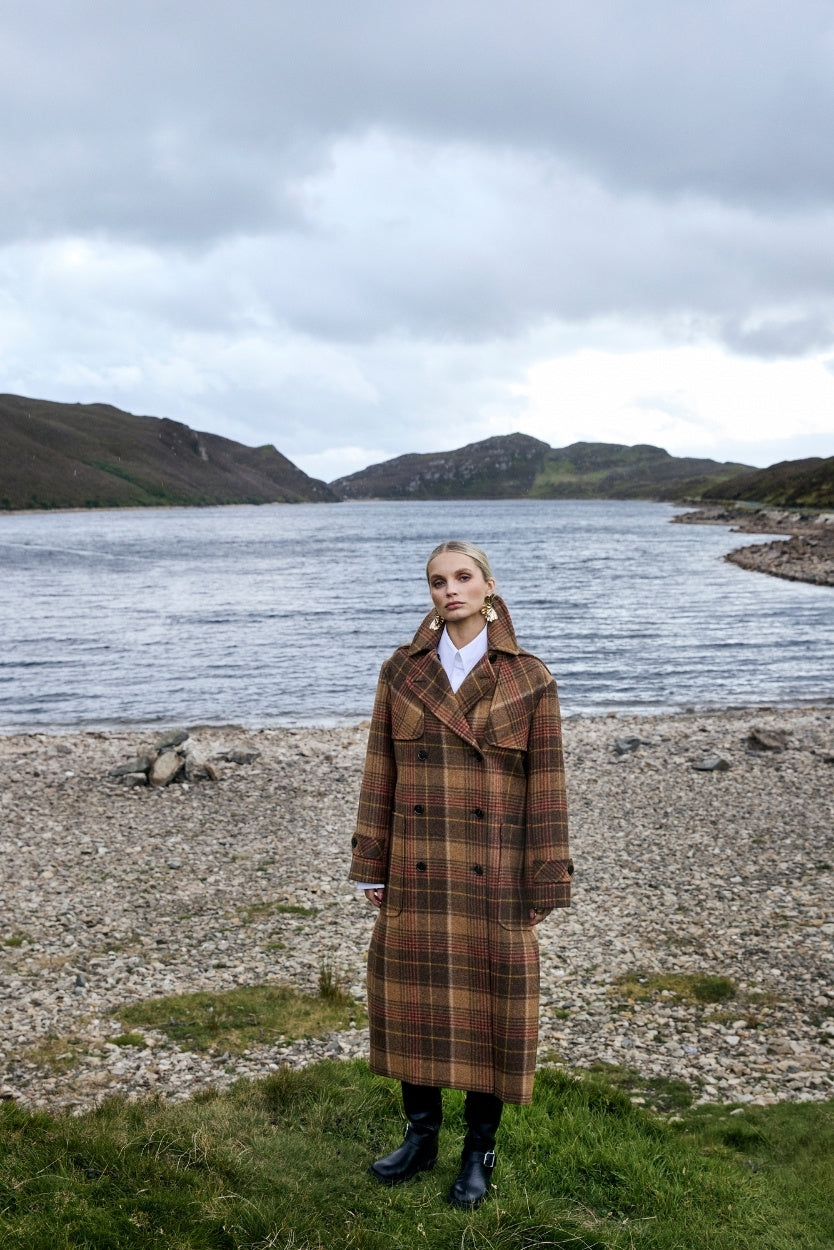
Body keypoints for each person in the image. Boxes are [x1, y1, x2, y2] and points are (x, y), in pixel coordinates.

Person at [349, 539, 572, 1209]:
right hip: (417, 867)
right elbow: (380, 770)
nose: (450, 590)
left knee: (489, 1010)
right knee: (412, 1002)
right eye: (437, 581)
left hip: (493, 873)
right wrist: (370, 864)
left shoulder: (529, 678)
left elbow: (548, 788)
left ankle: (479, 1150)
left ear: (488, 587)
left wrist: (545, 878)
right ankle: (420, 1137)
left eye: (463, 577)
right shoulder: (401, 670)